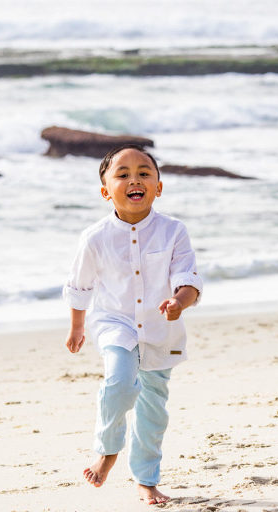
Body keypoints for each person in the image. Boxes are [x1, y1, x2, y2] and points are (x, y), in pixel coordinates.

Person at [63, 144, 202, 505]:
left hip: (161, 330)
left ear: (158, 186)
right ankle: (107, 450)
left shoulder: (173, 231)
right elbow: (80, 285)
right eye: (122, 174)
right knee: (119, 382)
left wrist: (179, 302)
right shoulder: (94, 237)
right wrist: (78, 326)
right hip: (114, 323)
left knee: (153, 412)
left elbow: (188, 279)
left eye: (144, 172)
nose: (134, 179)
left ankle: (146, 479)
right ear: (106, 191)